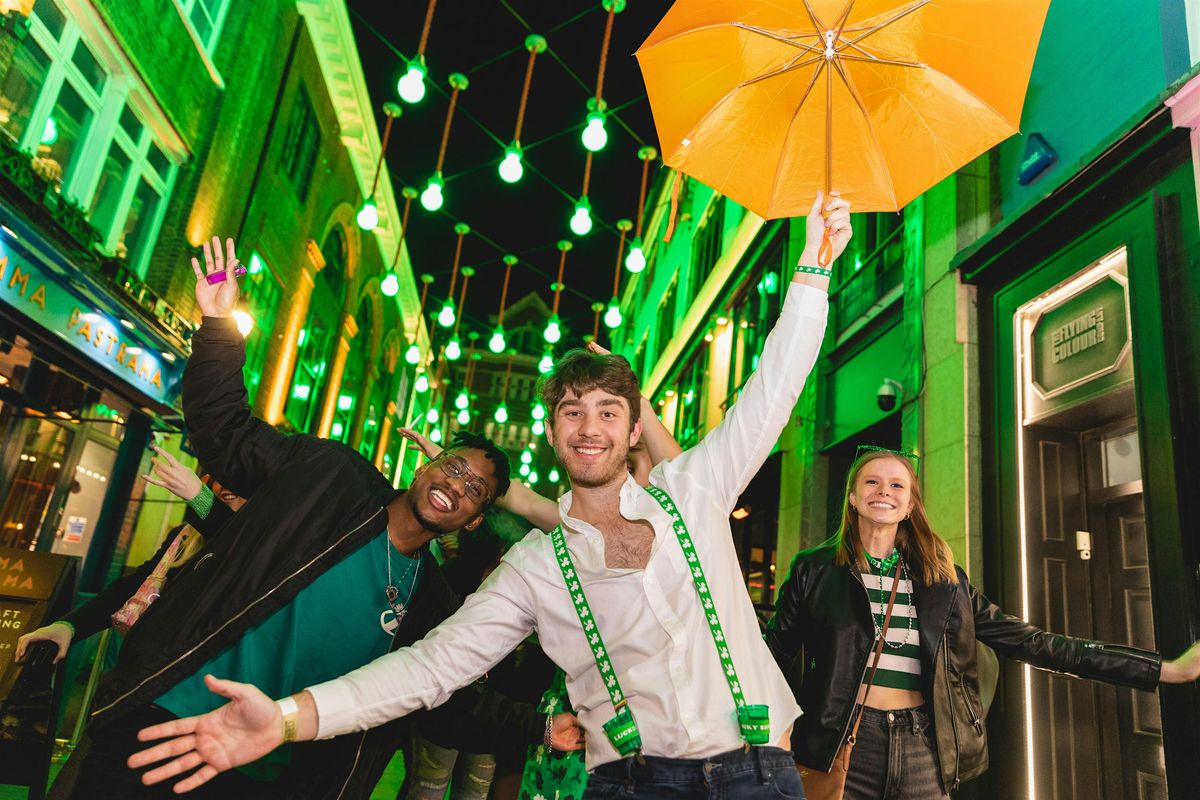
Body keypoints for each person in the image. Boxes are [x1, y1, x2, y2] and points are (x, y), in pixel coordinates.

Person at [127, 193, 850, 798]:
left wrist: (812, 270)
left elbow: (772, 390)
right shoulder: (536, 568)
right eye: (571, 411)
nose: (590, 427)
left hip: (760, 773)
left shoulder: (695, 489)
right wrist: (288, 717)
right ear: (554, 433)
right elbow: (429, 668)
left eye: (607, 411)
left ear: (634, 429)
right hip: (631, 782)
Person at [67, 236, 577, 800]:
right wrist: (217, 326)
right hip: (169, 715)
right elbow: (225, 434)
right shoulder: (331, 475)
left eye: (475, 491)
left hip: (276, 775)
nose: (455, 486)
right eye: (453, 467)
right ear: (426, 464)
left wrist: (540, 727)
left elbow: (443, 697)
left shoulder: (431, 601)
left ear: (475, 519)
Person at [765, 447, 1200, 799]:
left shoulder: (943, 580)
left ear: (910, 503)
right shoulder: (815, 570)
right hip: (841, 745)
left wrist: (1165, 669)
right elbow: (772, 655)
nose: (885, 491)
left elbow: (1032, 642)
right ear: (853, 497)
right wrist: (770, 734)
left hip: (923, 747)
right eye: (872, 482)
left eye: (897, 484)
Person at [15, 446, 242, 664]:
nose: (226, 485)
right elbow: (136, 585)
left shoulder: (256, 545)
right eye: (220, 478)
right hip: (146, 665)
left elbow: (235, 538)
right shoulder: (183, 538)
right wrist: (69, 626)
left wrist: (198, 496)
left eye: (240, 483)